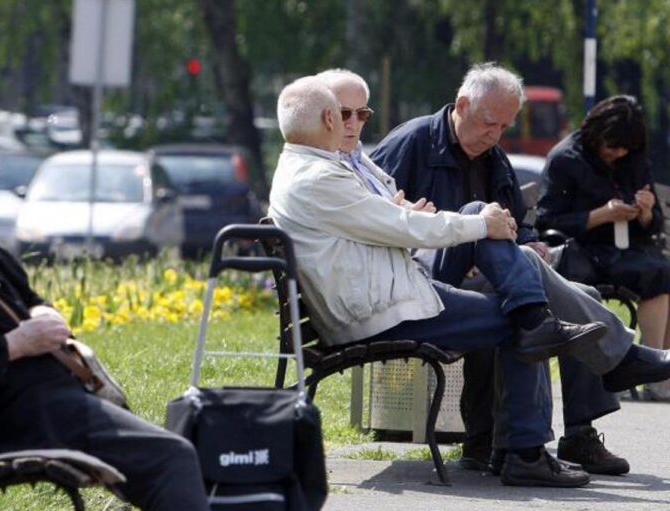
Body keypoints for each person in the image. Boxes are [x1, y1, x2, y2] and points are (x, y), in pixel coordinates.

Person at [268, 75, 624, 487]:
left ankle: (540, 422)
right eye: (344, 113)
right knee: (524, 323)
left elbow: (383, 221)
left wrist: (469, 223)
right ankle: (524, 451)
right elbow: (400, 225)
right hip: (385, 309)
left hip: (393, 292)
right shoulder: (322, 176)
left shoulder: (318, 165)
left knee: (525, 290)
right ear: (329, 117)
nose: (353, 123)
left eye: (362, 114)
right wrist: (475, 225)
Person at [0, 115, 210, 511]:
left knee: (186, 451)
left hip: (48, 402)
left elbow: (28, 297)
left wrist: (44, 314)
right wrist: (15, 344)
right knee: (172, 458)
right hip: (11, 417)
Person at [537, 95, 670, 401]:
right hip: (581, 250)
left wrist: (647, 212)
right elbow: (547, 221)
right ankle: (640, 372)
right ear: (596, 135)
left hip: (625, 250)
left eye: (625, 149)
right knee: (649, 273)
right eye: (612, 147)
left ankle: (658, 371)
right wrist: (600, 216)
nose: (617, 154)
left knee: (662, 273)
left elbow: (655, 224)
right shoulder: (566, 158)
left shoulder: (633, 159)